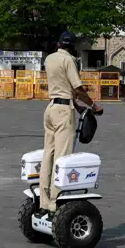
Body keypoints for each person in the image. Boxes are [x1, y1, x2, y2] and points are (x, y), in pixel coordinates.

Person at [38, 31, 101, 218]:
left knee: (47, 157)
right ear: (72, 46)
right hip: (64, 113)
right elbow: (77, 88)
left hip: (50, 109)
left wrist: (79, 107)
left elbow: (62, 88)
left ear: (58, 44)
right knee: (62, 158)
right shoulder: (69, 60)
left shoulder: (49, 59)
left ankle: (44, 201)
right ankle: (55, 204)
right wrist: (93, 105)